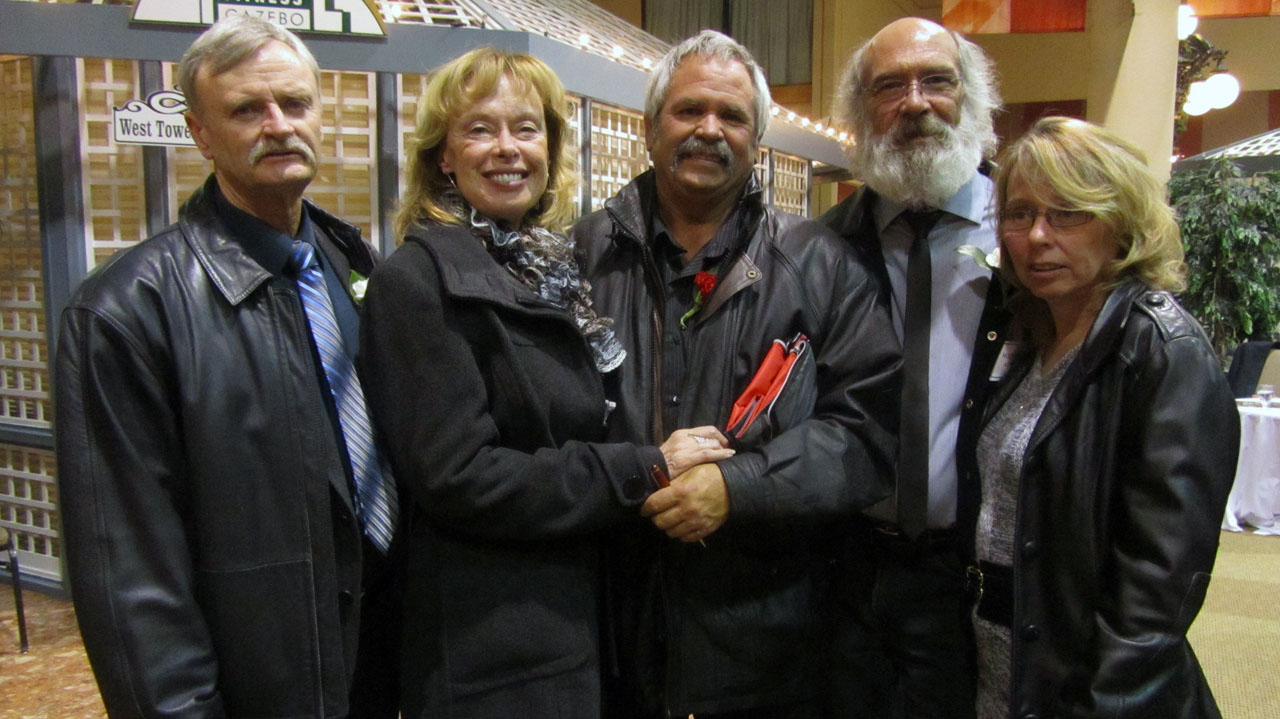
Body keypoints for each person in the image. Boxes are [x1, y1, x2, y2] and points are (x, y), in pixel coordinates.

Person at [358, 47, 734, 719]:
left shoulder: (551, 268)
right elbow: (462, 477)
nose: (508, 148)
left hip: (572, 631)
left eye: (527, 128)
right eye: (480, 128)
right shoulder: (417, 282)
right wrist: (642, 468)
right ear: (442, 154)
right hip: (492, 656)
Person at [55, 14, 399, 719]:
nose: (278, 125)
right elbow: (131, 581)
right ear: (200, 133)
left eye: (295, 103)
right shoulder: (126, 310)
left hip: (379, 662)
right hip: (260, 687)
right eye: (247, 109)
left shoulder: (350, 262)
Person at [573, 30, 899, 719]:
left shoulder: (824, 264)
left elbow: (869, 433)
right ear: (649, 126)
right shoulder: (578, 257)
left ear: (759, 140)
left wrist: (737, 487)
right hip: (607, 632)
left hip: (767, 649)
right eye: (689, 110)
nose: (708, 130)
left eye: (733, 116)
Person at [964, 116, 1237, 718]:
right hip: (1008, 670)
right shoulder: (1027, 336)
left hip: (1094, 691)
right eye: (1019, 213)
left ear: (1121, 224)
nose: (1037, 236)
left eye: (1068, 213)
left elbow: (1155, 594)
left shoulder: (1164, 352)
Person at [817, 17, 1004, 717]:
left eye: (937, 81)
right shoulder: (822, 247)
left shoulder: (1029, 235)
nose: (916, 102)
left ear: (973, 101)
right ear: (861, 114)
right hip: (849, 570)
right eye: (889, 86)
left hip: (977, 577)